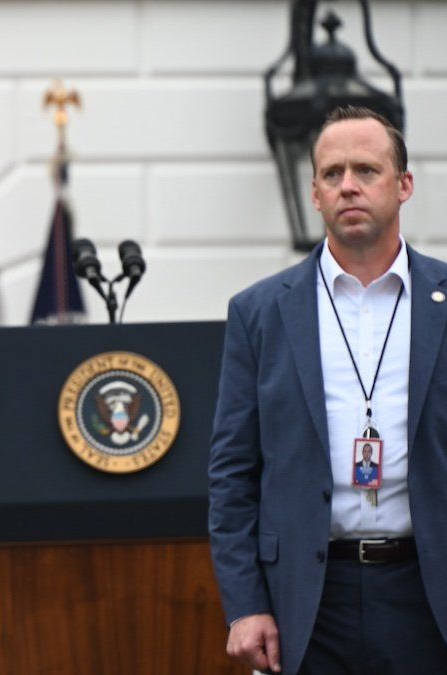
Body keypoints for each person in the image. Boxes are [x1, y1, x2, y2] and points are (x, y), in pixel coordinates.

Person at [209, 106, 447, 674]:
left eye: (366, 170)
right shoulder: (260, 313)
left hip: (428, 592)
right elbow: (231, 473)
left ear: (404, 184)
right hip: (307, 601)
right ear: (314, 193)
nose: (348, 186)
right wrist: (245, 606)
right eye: (332, 173)